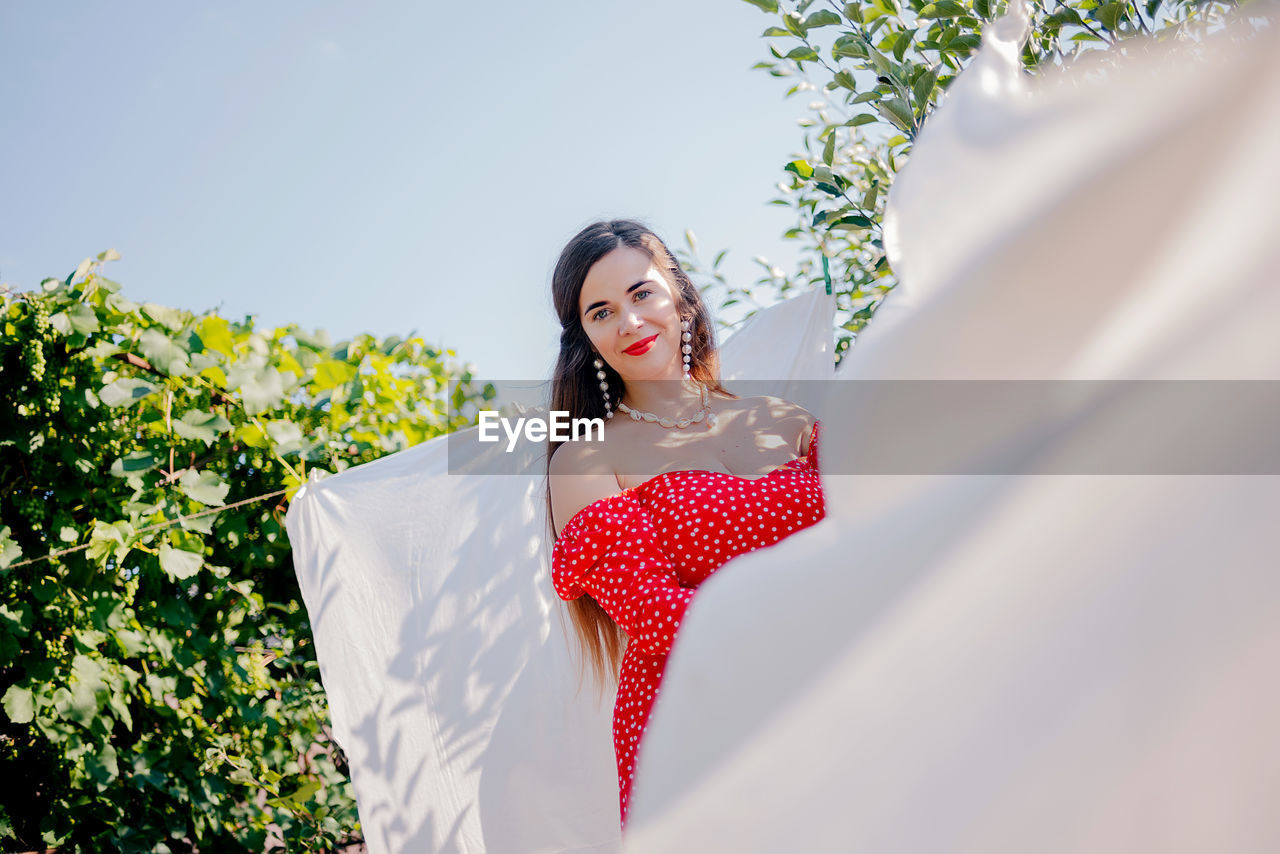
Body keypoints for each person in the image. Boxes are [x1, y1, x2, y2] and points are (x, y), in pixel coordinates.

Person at [543, 219, 829, 827]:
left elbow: (868, 537)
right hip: (704, 727)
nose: (628, 322)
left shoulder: (788, 422)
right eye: (600, 311)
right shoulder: (586, 461)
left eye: (641, 292)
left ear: (681, 295)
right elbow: (661, 618)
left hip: (841, 688)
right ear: (586, 338)